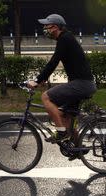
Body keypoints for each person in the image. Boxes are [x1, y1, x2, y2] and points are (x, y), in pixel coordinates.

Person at [27, 14, 97, 142]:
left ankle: (61, 132)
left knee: (46, 97)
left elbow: (53, 62)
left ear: (55, 27)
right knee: (66, 116)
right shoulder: (66, 38)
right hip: (84, 84)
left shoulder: (64, 39)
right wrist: (43, 79)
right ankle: (77, 148)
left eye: (47, 26)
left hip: (81, 84)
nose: (45, 29)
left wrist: (37, 81)